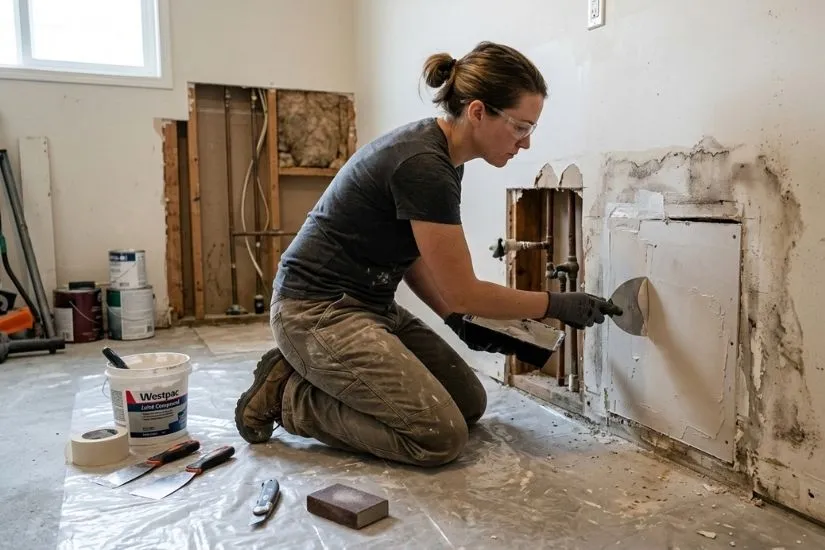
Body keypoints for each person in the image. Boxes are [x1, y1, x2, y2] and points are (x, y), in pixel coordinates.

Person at [234, 41, 619, 467]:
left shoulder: (447, 158)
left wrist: (453, 316)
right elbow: (464, 290)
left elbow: (414, 255)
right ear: (477, 112)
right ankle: (290, 397)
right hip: (314, 311)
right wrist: (557, 304)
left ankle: (317, 378)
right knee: (437, 437)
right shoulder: (424, 165)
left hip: (371, 306)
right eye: (520, 128)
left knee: (468, 404)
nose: (525, 144)